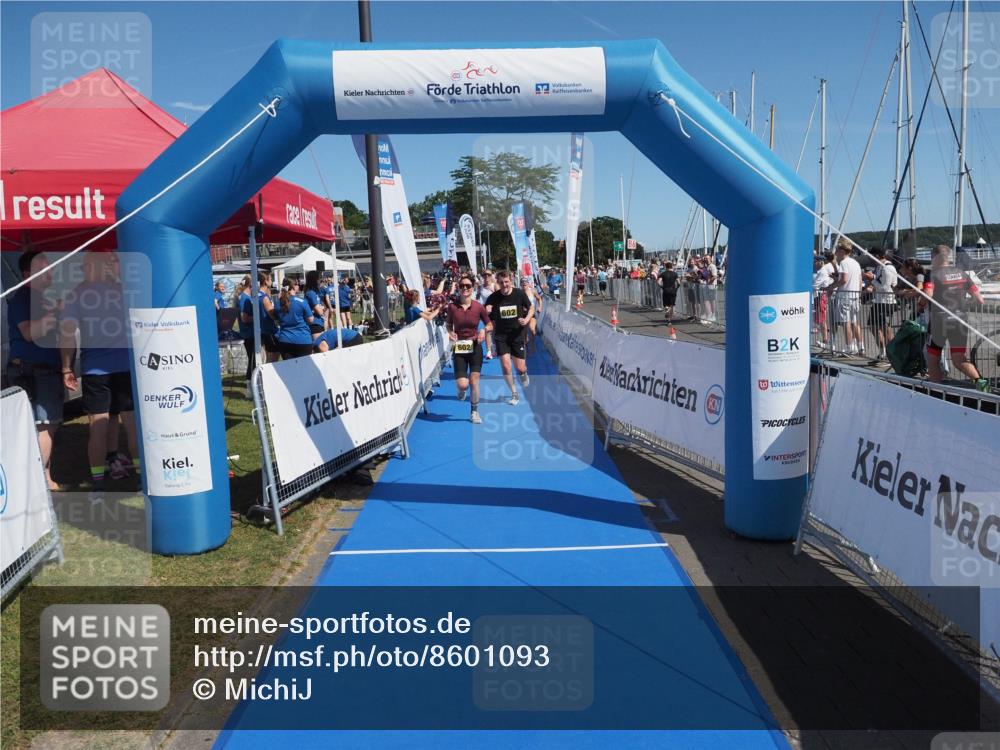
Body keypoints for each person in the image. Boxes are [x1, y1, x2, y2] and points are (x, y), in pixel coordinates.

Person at [59, 251, 139, 500]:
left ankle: (97, 485)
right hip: (125, 366)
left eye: (84, 266)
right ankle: (141, 477)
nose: (82, 271)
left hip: (95, 370)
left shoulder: (75, 295)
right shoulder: (123, 290)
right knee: (131, 424)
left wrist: (66, 367)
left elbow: (67, 335)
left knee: (98, 427)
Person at [6, 250, 64, 490]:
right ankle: (34, 483)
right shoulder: (24, 297)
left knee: (44, 426)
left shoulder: (40, 298)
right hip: (33, 371)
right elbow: (29, 333)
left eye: (49, 266)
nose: (49, 271)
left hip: (41, 370)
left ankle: (45, 478)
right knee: (45, 425)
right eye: (42, 267)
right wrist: (57, 312)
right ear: (27, 273)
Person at [921, 244, 989, 391]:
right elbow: (979, 300)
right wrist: (962, 306)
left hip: (939, 322)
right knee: (959, 359)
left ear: (934, 257)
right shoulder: (961, 273)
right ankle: (981, 383)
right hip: (960, 321)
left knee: (933, 359)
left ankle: (936, 391)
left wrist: (920, 303)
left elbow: (927, 295)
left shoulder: (932, 274)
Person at [446, 274, 491, 424]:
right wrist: (450, 332)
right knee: (463, 384)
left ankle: (474, 412)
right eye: (462, 286)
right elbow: (448, 325)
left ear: (473, 288)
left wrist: (484, 330)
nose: (465, 288)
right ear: (458, 288)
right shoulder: (452, 307)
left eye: (468, 286)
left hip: (475, 346)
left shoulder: (478, 307)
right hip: (459, 347)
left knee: (474, 381)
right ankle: (460, 389)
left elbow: (489, 324)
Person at [485, 271, 533, 406]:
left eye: (506, 282)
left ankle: (523, 373)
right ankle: (514, 393)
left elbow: (531, 308)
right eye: (501, 282)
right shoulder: (493, 297)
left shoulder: (519, 294)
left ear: (510, 281)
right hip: (501, 336)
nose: (504, 285)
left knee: (520, 367)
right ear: (497, 283)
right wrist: (487, 310)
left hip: (517, 335)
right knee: (506, 367)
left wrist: (526, 319)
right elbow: (485, 315)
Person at [864, 249, 899, 363]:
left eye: (872, 256)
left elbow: (885, 287)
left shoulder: (888, 268)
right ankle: (882, 352)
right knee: (873, 326)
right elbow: (879, 280)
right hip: (878, 301)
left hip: (887, 302)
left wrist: (872, 280)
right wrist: (873, 278)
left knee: (886, 329)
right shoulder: (879, 267)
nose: (870, 258)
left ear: (878, 255)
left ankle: (891, 355)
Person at [830, 241, 864, 356]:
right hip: (855, 296)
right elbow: (859, 280)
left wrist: (831, 287)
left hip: (845, 296)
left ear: (842, 251)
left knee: (846, 322)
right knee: (855, 322)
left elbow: (844, 279)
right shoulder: (856, 263)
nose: (836, 253)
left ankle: (849, 347)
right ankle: (861, 347)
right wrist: (859, 294)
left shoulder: (843, 263)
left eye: (837, 250)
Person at [274, 277, 315, 359]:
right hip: (302, 340)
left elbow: (277, 319)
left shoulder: (278, 303)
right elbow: (311, 320)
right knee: (305, 366)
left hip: (284, 340)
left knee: (289, 367)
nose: (299, 286)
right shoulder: (301, 302)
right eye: (297, 284)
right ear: (293, 286)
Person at [303, 270, 327, 340]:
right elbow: (320, 311)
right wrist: (321, 309)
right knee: (319, 344)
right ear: (314, 280)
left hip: (319, 322)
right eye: (318, 279)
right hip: (314, 323)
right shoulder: (310, 293)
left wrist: (322, 308)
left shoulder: (315, 292)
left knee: (323, 343)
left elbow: (323, 307)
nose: (320, 281)